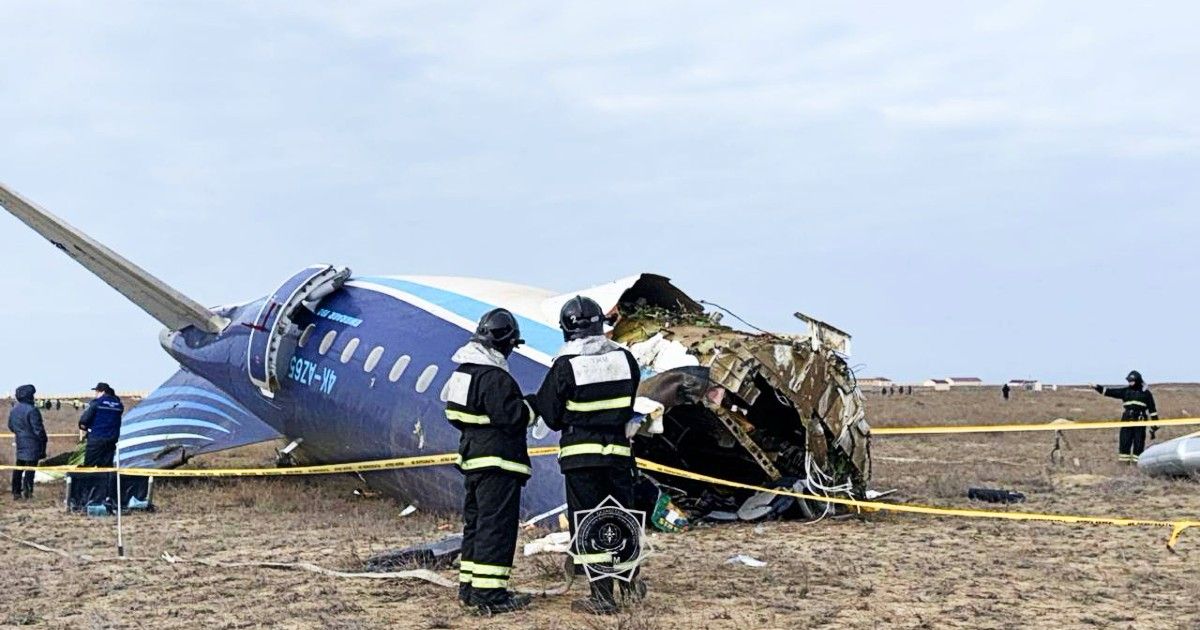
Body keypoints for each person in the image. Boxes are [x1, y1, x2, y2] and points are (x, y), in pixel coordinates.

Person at [531, 296, 643, 615]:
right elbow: (629, 401)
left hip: (582, 459)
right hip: (619, 456)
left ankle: (602, 597)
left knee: (591, 523)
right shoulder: (625, 359)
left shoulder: (566, 364)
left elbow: (550, 414)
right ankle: (631, 584)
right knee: (623, 519)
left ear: (567, 329)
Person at [444, 309, 534, 615]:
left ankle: (469, 589)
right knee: (496, 528)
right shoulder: (496, 377)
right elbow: (513, 418)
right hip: (498, 464)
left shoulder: (462, 373)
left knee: (477, 525)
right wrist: (532, 406)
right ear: (506, 342)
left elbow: (453, 415)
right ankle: (490, 595)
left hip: (472, 461)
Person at [1091, 371, 1158, 464]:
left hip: (1140, 421)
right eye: (1129, 381)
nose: (1130, 382)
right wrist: (1097, 387)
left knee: (1138, 443)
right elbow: (1109, 392)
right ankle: (1123, 465)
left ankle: (1137, 464)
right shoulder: (1125, 391)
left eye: (1132, 381)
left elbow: (1152, 410)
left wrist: (1155, 425)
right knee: (1124, 442)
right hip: (1126, 420)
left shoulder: (1146, 393)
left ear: (1137, 380)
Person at [8, 384, 47, 500]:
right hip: (33, 444)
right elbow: (38, 429)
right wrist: (43, 440)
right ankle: (28, 492)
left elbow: (10, 426)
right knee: (30, 470)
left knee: (19, 468)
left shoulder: (14, 409)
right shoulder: (32, 410)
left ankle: (16, 492)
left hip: (20, 442)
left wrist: (20, 433)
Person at [79, 382, 124, 467]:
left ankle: (88, 480)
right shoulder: (118, 405)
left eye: (97, 392)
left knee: (89, 466)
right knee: (106, 467)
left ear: (102, 392)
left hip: (96, 438)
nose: (95, 394)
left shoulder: (97, 403)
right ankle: (105, 480)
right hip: (112, 439)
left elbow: (84, 420)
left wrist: (85, 427)